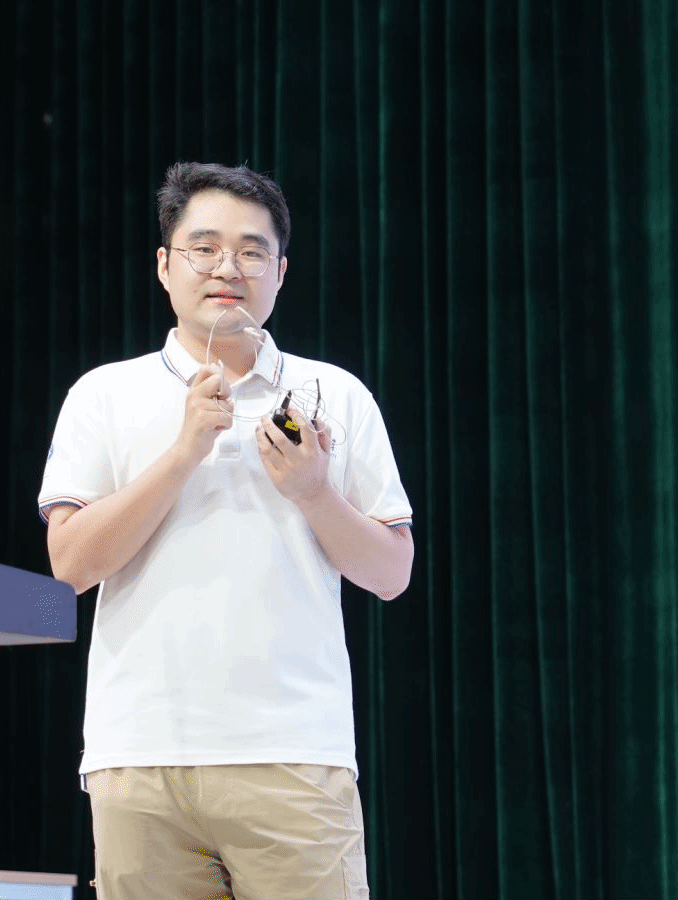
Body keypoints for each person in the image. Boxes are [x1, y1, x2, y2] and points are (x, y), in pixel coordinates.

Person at [37, 162, 414, 900]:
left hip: (293, 751)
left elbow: (392, 574)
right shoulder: (103, 394)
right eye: (203, 248)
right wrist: (182, 454)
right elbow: (69, 566)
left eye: (250, 251)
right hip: (139, 755)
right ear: (164, 266)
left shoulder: (336, 394)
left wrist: (314, 492)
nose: (226, 268)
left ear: (281, 272)